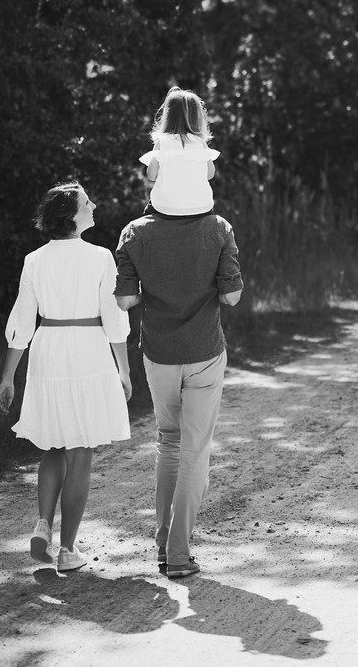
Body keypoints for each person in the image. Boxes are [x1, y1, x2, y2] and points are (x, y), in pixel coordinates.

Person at [115, 159, 243, 580]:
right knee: (195, 451)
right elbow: (232, 298)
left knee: (168, 443)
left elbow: (125, 302)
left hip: (158, 352)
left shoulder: (134, 233)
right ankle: (178, 553)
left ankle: (163, 539)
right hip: (204, 350)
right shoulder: (218, 228)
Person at [0, 182, 132, 573]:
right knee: (81, 452)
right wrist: (123, 370)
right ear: (71, 215)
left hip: (48, 350)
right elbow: (114, 320)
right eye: (87, 202)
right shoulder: (101, 257)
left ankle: (43, 524)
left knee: (54, 446)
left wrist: (8, 378)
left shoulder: (35, 259)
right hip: (87, 351)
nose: (94, 205)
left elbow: (22, 321)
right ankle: (68, 550)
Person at [141, 85, 220, 216]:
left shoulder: (163, 141)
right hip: (201, 208)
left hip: (165, 208)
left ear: (168, 116)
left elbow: (151, 175)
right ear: (198, 117)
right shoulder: (200, 143)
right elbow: (210, 174)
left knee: (147, 215)